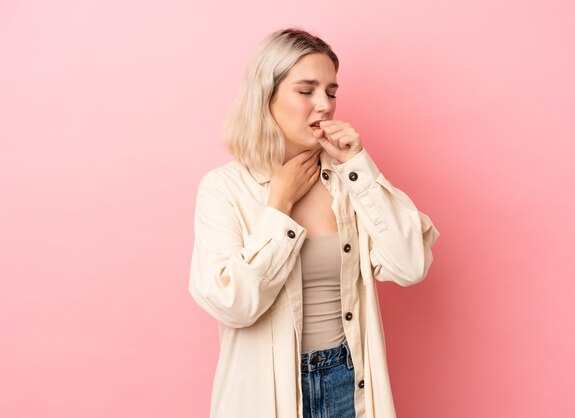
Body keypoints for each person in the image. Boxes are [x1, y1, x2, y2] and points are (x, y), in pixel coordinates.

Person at [189, 27, 441, 418]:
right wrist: (279, 205)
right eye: (306, 91)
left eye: (332, 92)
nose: (324, 105)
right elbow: (231, 303)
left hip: (347, 382)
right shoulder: (224, 188)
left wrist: (359, 166)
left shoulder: (347, 182)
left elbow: (411, 265)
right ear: (265, 97)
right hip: (266, 395)